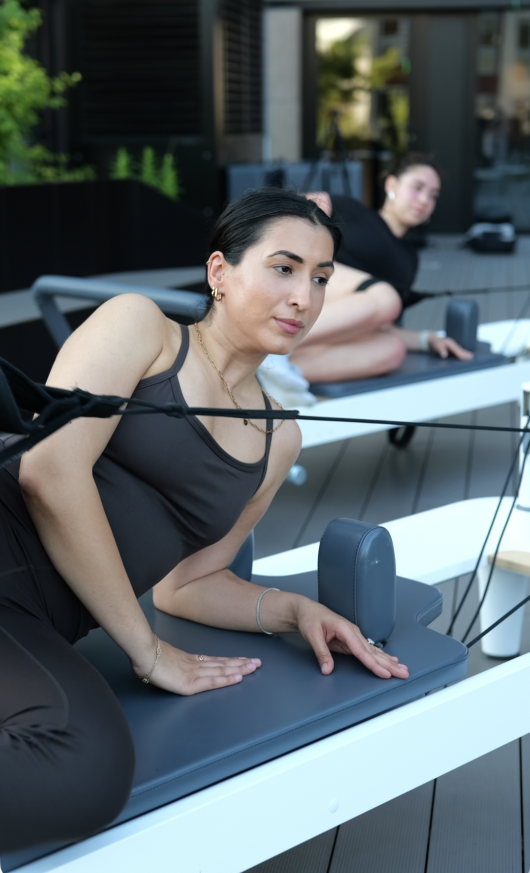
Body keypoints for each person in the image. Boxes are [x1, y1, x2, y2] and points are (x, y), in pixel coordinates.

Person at [0, 189, 409, 856]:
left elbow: (186, 584)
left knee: (86, 770)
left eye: (322, 277)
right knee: (85, 766)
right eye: (283, 267)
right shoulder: (141, 329)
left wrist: (291, 610)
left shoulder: (280, 439)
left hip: (27, 619)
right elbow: (49, 471)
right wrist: (147, 648)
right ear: (220, 273)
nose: (304, 296)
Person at [260, 155, 472, 395]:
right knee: (385, 297)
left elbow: (379, 324)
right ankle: (270, 347)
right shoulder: (350, 209)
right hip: (302, 287)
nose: (424, 199)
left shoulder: (410, 260)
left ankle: (267, 371)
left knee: (392, 350)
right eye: (417, 188)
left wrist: (426, 340)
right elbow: (279, 216)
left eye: (433, 195)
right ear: (391, 185)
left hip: (325, 326)